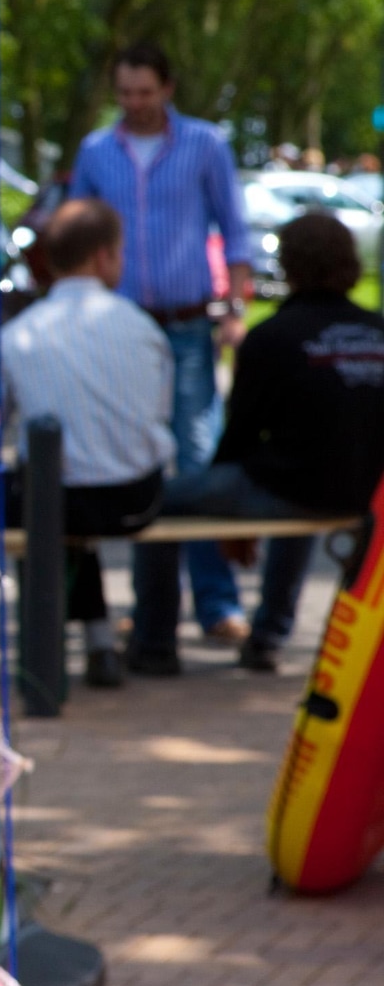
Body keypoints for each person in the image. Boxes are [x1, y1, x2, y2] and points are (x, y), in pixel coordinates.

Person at [68, 41, 255, 664]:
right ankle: (151, 613)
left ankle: (218, 601)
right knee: (132, 455)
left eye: (145, 92)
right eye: (125, 93)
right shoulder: (97, 151)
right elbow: (79, 231)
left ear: (168, 89)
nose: (135, 104)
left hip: (185, 325)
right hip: (117, 326)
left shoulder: (204, 144)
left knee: (196, 455)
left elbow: (234, 226)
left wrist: (235, 308)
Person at [135, 214, 384, 672]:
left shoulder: (272, 338)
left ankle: (153, 643)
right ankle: (269, 634)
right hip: (368, 494)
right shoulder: (378, 331)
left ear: (288, 265)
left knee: (147, 502)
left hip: (290, 489)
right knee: (307, 481)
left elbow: (240, 436)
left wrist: (231, 520)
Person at [0, 199, 173, 687]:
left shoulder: (16, 336)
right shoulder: (143, 327)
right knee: (67, 502)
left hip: (54, 499)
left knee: (39, 495)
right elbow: (161, 415)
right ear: (105, 256)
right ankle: (102, 640)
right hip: (137, 498)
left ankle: (50, 652)